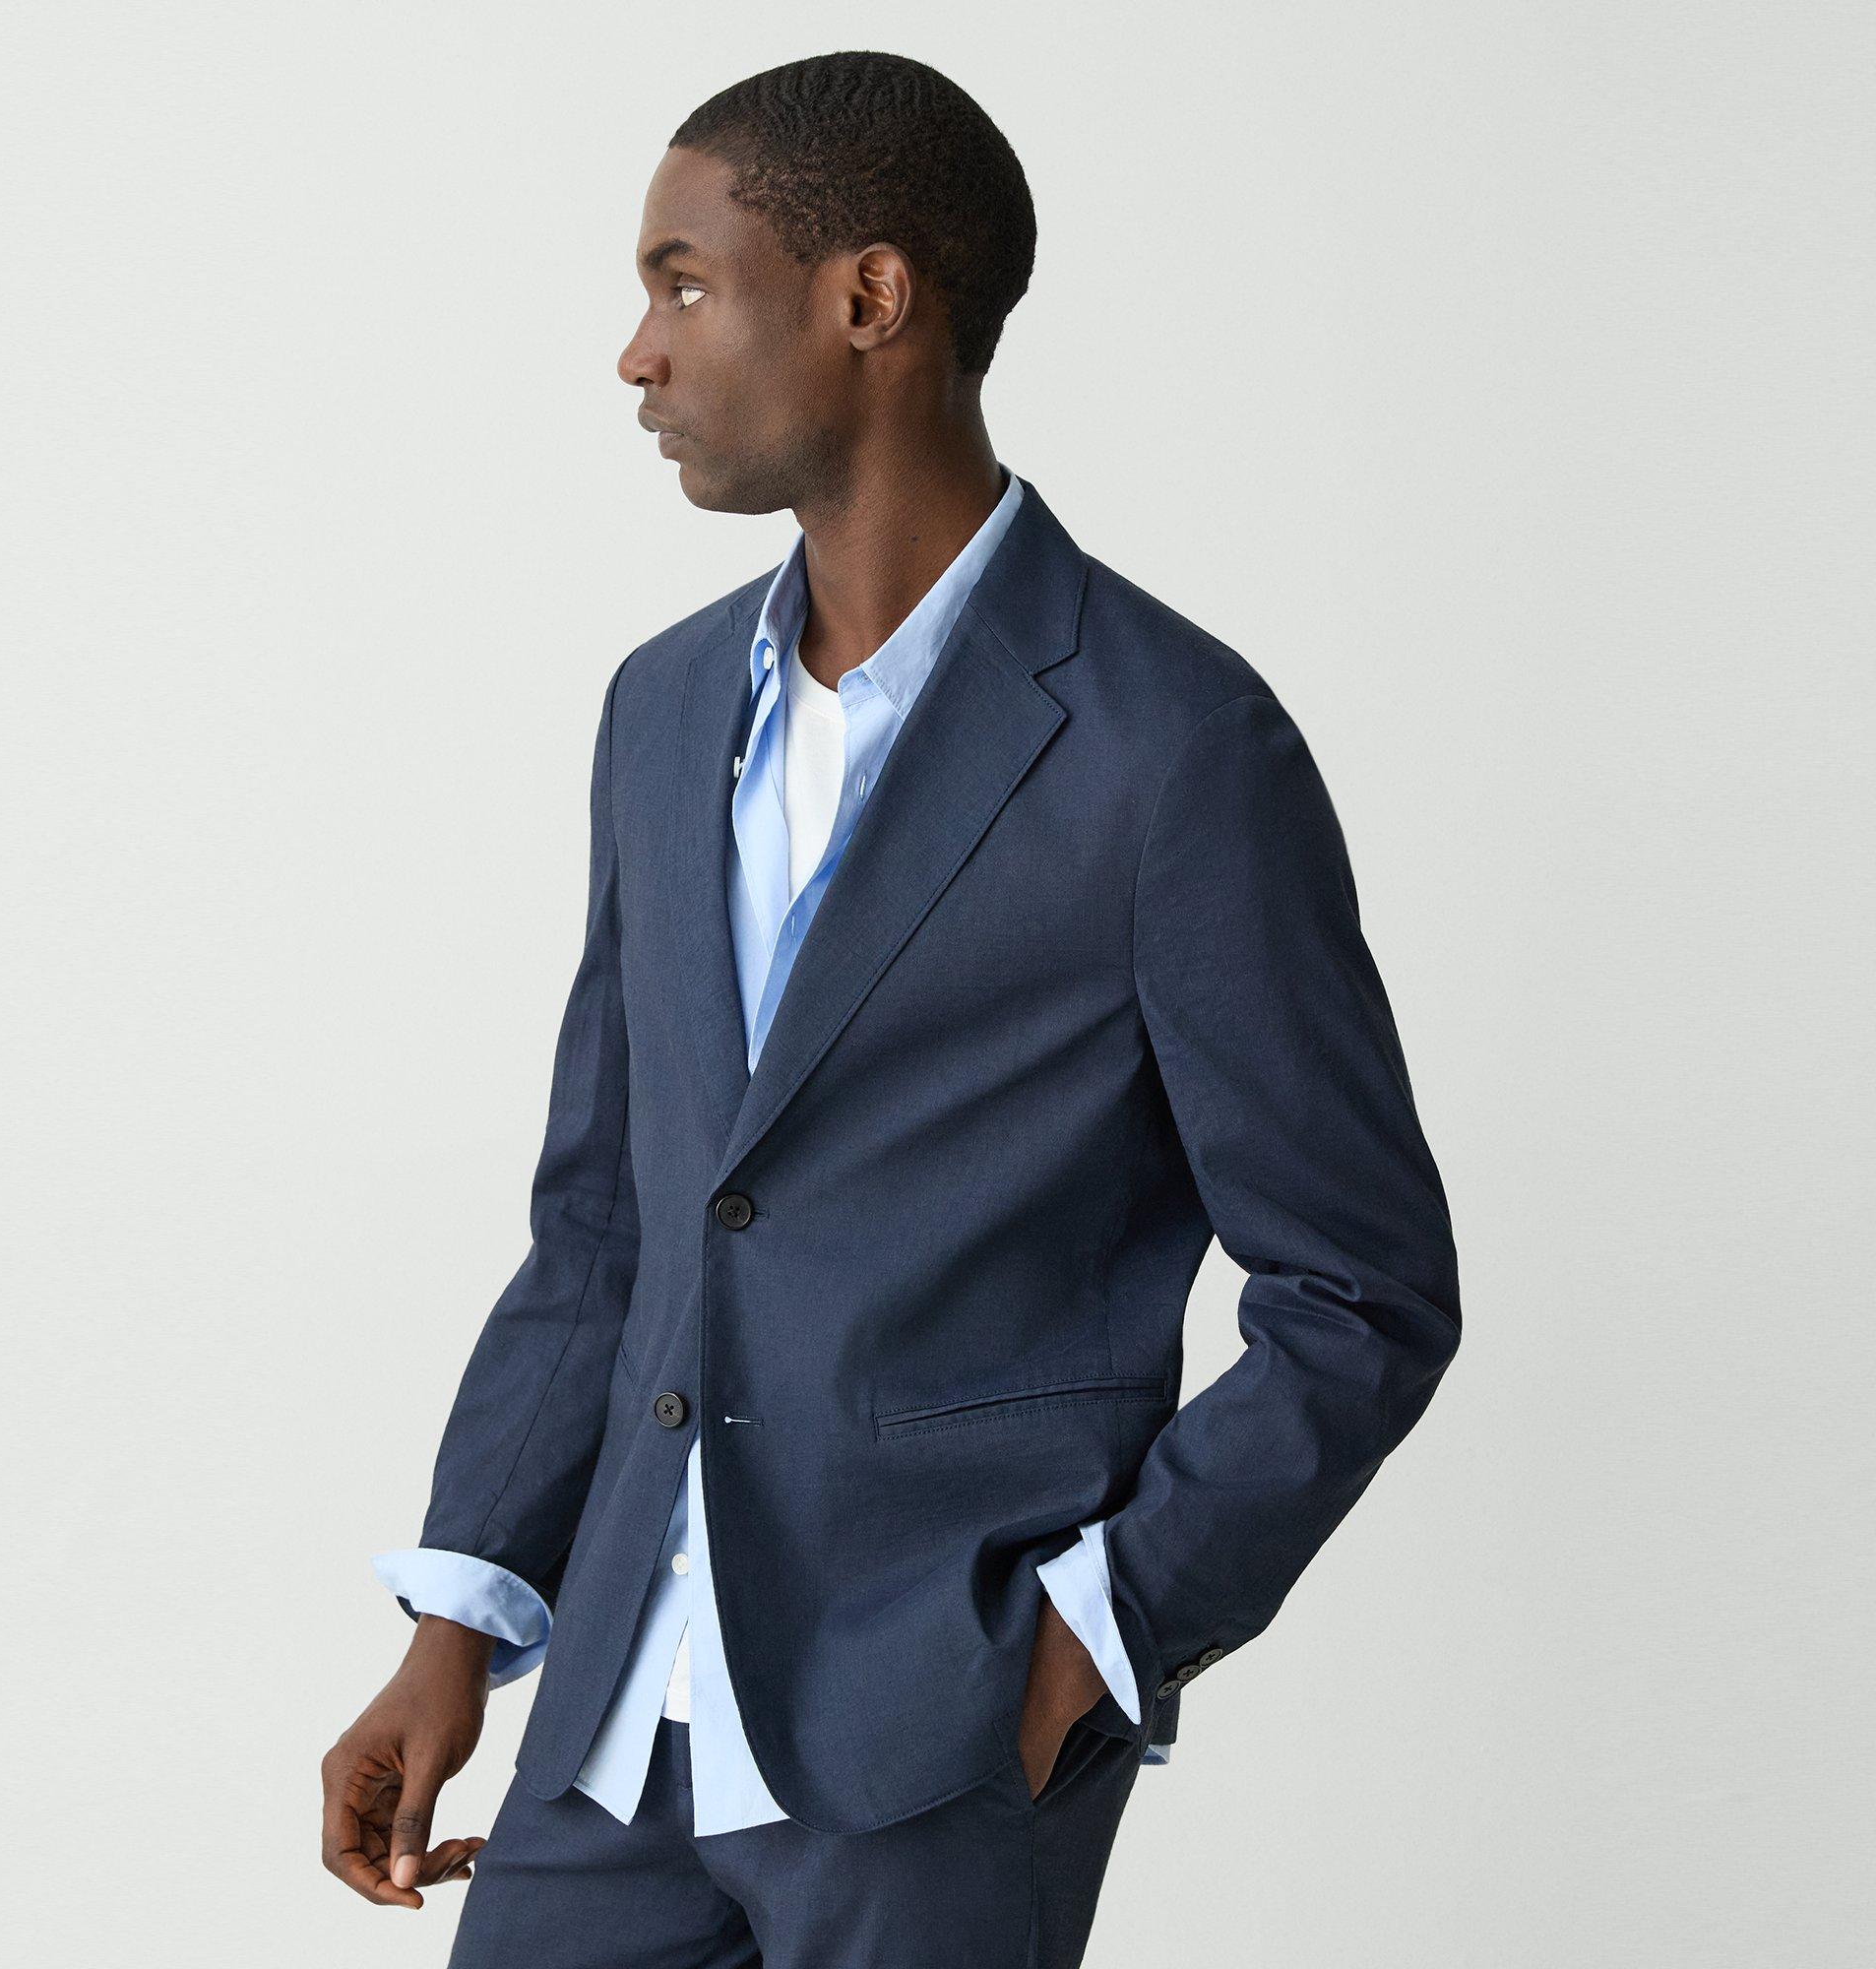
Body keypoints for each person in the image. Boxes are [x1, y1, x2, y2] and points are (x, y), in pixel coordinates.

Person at [319, 48, 1462, 1968]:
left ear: (870, 297)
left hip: (935, 1735)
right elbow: (608, 1221)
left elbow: (1362, 1290)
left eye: (685, 282)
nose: (636, 352)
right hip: (615, 1731)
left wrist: (1097, 1631)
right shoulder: (662, 709)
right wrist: (461, 1614)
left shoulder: (1172, 746)